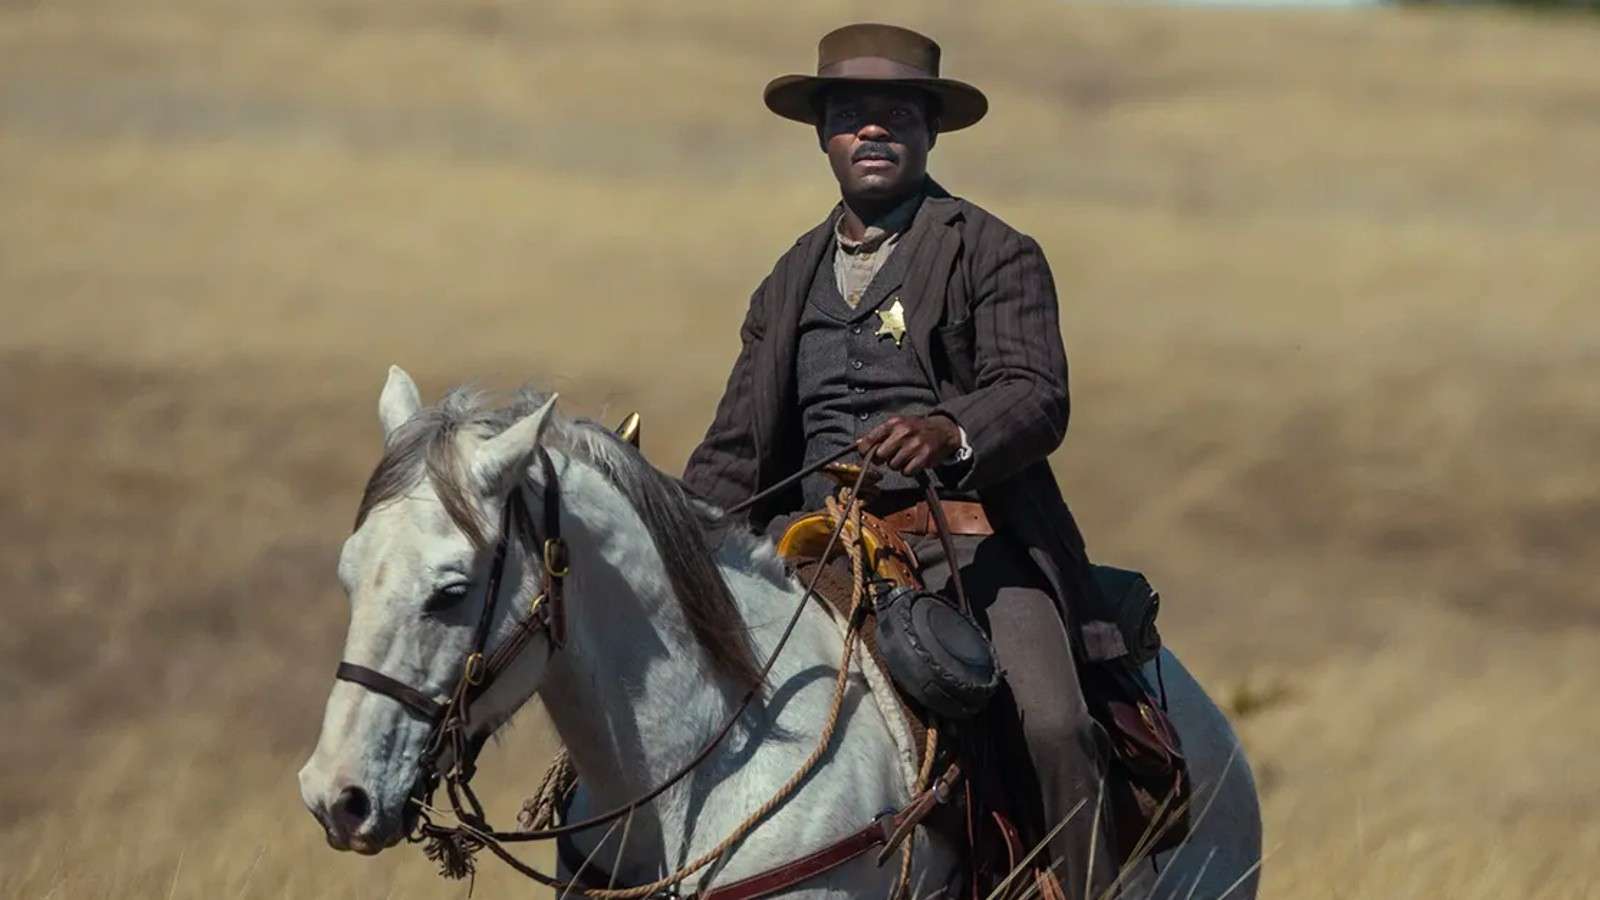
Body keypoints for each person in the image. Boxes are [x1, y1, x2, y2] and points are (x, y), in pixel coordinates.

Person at [683, 23, 1122, 893]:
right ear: (823, 135)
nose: (872, 131)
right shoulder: (786, 280)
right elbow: (737, 451)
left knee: (1053, 726)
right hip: (806, 551)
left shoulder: (993, 249)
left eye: (895, 114)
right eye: (851, 114)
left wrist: (949, 431)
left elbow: (1036, 393)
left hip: (965, 546)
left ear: (929, 131)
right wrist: (673, 536)